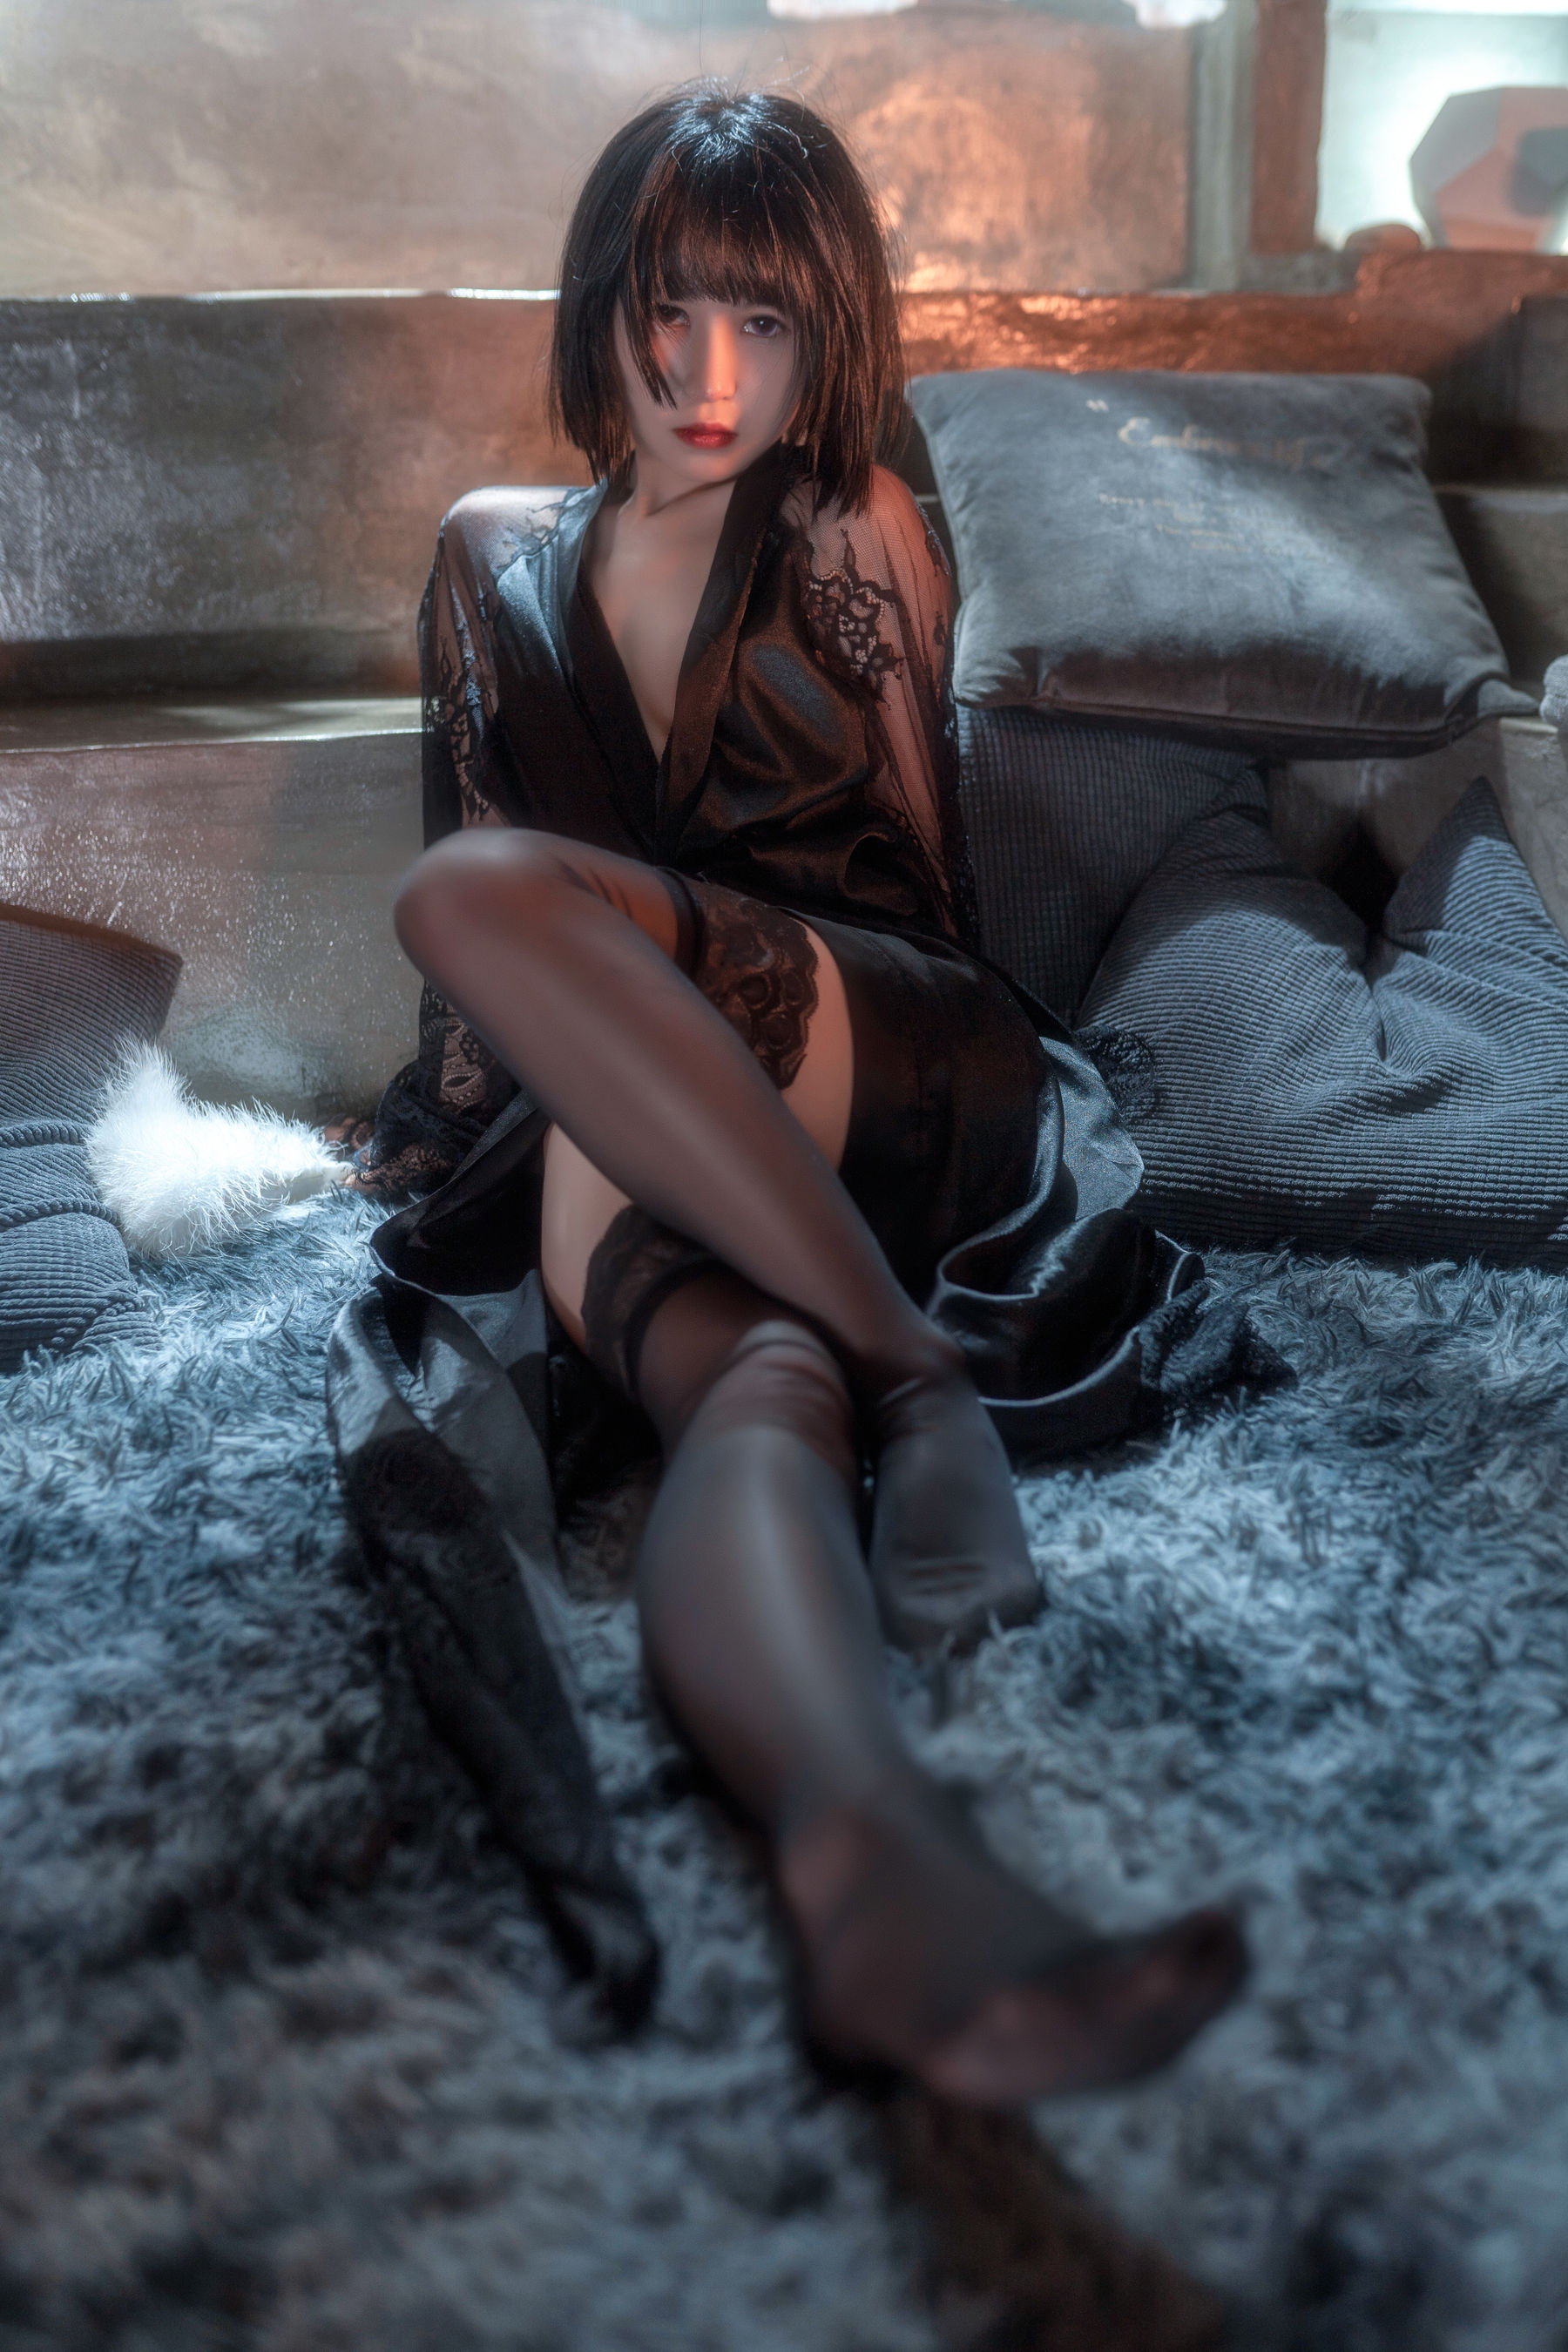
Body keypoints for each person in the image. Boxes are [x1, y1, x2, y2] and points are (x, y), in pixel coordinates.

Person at [348, 85, 1247, 2105]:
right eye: (669, 314)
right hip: (640, 1101)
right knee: (745, 1395)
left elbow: (933, 890)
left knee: (475, 896)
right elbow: (487, 1023)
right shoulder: (488, 559)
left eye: (764, 323)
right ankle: (873, 1871)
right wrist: (460, 1147)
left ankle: (911, 1371)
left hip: (878, 1049)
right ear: (602, 305)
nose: (710, 378)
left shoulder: (857, 524)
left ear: (826, 333)